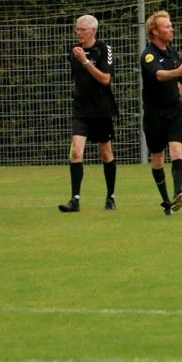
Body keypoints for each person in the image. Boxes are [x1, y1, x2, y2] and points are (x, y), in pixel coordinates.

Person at [59, 14, 118, 213]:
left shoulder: (104, 49)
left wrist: (85, 61)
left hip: (101, 108)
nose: (78, 33)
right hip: (81, 108)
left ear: (93, 31)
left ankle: (110, 196)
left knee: (105, 152)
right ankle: (74, 200)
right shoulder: (73, 51)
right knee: (76, 151)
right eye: (77, 29)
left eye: (82, 30)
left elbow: (105, 79)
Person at [140, 10, 182, 216]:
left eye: (171, 25)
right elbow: (160, 75)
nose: (171, 29)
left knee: (177, 151)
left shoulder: (172, 53)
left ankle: (179, 192)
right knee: (157, 158)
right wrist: (178, 72)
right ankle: (166, 200)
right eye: (167, 26)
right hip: (154, 114)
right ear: (155, 31)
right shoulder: (148, 54)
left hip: (174, 111)